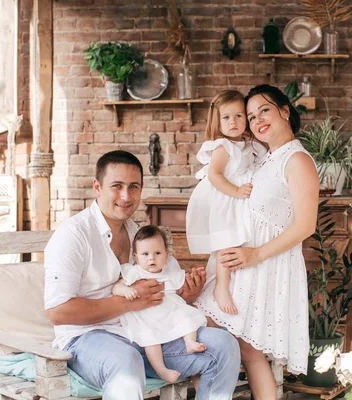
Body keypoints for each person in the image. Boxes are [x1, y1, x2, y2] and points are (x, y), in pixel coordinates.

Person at [44, 150, 240, 400]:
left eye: (133, 187)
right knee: (127, 361)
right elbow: (58, 312)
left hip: (145, 334)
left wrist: (187, 294)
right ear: (97, 187)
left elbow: (164, 292)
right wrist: (128, 303)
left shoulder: (140, 235)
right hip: (87, 338)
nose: (126, 197)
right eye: (117, 186)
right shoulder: (73, 235)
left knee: (224, 345)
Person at [195, 84, 320, 399]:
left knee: (247, 350)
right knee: (228, 341)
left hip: (265, 266)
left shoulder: (298, 159)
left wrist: (255, 255)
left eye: (264, 110)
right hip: (244, 265)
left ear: (284, 110)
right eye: (250, 116)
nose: (257, 120)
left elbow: (306, 225)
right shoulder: (266, 156)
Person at [186, 90, 266, 314]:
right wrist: (236, 190)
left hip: (238, 200)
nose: (233, 122)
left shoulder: (248, 144)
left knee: (238, 242)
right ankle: (221, 286)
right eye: (227, 117)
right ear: (217, 121)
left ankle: (232, 284)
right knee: (226, 242)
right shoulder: (223, 146)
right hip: (224, 199)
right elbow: (215, 175)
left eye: (239, 116)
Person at [112, 225, 208, 383]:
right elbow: (116, 287)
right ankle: (161, 369)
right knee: (151, 338)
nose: (152, 258)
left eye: (157, 253)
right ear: (136, 257)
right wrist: (125, 291)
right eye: (145, 254)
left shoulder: (170, 272)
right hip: (146, 315)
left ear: (166, 255)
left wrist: (196, 277)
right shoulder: (134, 272)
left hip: (168, 311)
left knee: (186, 315)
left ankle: (190, 342)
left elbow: (180, 290)